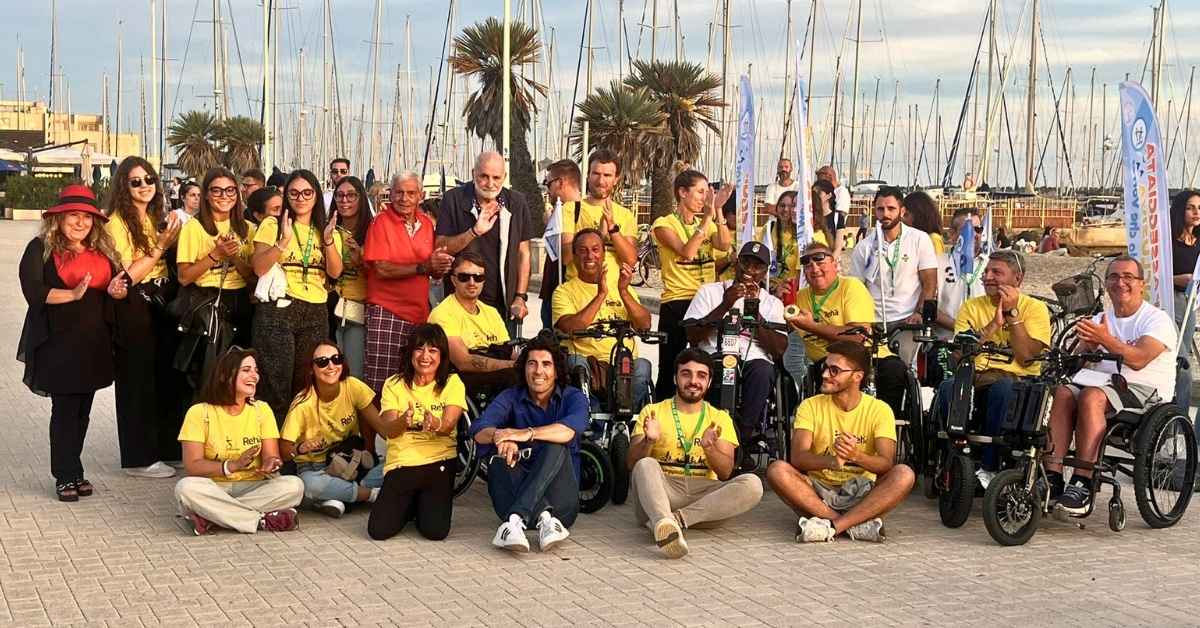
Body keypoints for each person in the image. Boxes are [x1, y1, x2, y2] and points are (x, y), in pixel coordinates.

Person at [19, 184, 130, 501]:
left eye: (87, 217)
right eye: (73, 215)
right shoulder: (39, 248)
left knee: (83, 412)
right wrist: (71, 294)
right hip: (59, 344)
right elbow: (34, 293)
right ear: (59, 218)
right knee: (65, 411)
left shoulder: (103, 253)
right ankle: (64, 476)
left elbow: (115, 289)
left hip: (94, 344)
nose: (80, 222)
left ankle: (75, 469)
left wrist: (117, 293)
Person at [1046, 256, 1178, 515]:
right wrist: (1087, 349)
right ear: (1106, 284)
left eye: (1128, 277)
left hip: (1143, 391)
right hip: (1102, 384)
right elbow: (1079, 364)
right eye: (1114, 277)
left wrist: (1105, 339)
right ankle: (1052, 475)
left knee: (1091, 397)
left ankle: (1083, 481)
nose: (1121, 283)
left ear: (1142, 284)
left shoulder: (1157, 320)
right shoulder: (1099, 318)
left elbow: (1139, 360)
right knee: (1061, 393)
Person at [766, 341, 914, 542]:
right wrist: (833, 461)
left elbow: (886, 463)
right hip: (817, 492)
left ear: (857, 376)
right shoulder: (810, 406)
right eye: (825, 368)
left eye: (834, 370)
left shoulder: (880, 410)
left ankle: (830, 526)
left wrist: (856, 456)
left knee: (904, 474)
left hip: (863, 492)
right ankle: (852, 525)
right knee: (777, 470)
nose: (825, 374)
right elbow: (798, 458)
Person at [627, 349, 763, 558]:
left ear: (709, 383)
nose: (693, 381)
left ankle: (672, 524)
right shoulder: (653, 411)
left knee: (753, 484)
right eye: (686, 374)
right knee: (645, 464)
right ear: (675, 378)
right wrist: (648, 441)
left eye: (701, 375)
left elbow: (725, 472)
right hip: (661, 494)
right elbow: (632, 465)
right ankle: (663, 519)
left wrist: (710, 448)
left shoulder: (720, 418)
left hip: (704, 501)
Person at [104, 156, 185, 479]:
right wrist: (160, 246)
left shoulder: (155, 217)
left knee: (166, 376)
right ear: (124, 185)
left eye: (149, 179)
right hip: (135, 301)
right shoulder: (116, 223)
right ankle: (138, 457)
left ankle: (166, 447)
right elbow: (127, 276)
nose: (144, 186)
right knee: (136, 378)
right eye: (136, 181)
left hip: (163, 300)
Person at [939, 251, 1051, 482]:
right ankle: (954, 461)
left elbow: (1026, 357)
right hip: (976, 374)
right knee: (949, 387)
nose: (988, 276)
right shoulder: (971, 307)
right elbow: (961, 354)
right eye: (987, 272)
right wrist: (992, 327)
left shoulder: (1035, 308)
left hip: (1017, 379)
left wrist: (1012, 315)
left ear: (1017, 279)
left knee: (1003, 388)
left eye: (996, 272)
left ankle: (989, 465)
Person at [469, 334, 587, 553]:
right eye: (532, 364)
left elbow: (568, 431)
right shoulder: (511, 396)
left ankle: (514, 521)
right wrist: (502, 437)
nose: (538, 371)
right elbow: (478, 429)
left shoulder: (574, 397)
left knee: (555, 444)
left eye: (546, 364)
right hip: (528, 506)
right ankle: (540, 519)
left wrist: (525, 434)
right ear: (524, 369)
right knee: (499, 455)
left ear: (557, 370)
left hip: (561, 507)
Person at [174, 348, 304, 534]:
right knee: (185, 488)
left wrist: (271, 463)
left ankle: (212, 517)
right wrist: (231, 466)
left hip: (255, 485)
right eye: (246, 370)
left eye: (256, 370)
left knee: (295, 486)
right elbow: (193, 466)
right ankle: (260, 520)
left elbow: (272, 455)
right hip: (215, 487)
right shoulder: (199, 413)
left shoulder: (262, 410)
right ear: (225, 376)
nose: (255, 376)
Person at [251, 169, 344, 419]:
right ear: (286, 196)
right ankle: (274, 446)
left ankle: (298, 443)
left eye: (307, 192)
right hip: (279, 309)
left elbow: (335, 272)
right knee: (275, 381)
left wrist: (328, 241)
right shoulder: (273, 223)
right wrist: (283, 241)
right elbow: (259, 267)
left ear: (315, 195)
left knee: (305, 381)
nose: (300, 198)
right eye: (294, 193)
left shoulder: (326, 229)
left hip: (315, 309)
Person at [784, 242, 911, 425]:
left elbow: (857, 337)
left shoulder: (851, 287)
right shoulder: (800, 296)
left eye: (820, 261)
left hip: (867, 355)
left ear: (835, 264)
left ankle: (886, 428)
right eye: (807, 263)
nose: (814, 268)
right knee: (824, 373)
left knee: (895, 370)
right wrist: (778, 296)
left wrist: (813, 326)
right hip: (826, 361)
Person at [363, 324, 466, 541]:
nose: (425, 356)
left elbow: (449, 424)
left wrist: (436, 424)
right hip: (403, 463)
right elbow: (389, 430)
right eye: (419, 349)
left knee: (435, 532)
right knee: (378, 531)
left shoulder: (452, 382)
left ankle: (418, 503)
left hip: (439, 461)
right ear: (410, 353)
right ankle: (411, 504)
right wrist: (403, 420)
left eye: (433, 350)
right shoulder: (394, 383)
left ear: (442, 355)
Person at [684, 242, 787, 441]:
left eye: (757, 266)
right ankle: (706, 430)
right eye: (746, 263)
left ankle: (742, 439)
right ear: (737, 263)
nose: (750, 270)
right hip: (713, 354)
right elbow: (692, 335)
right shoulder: (710, 291)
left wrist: (755, 313)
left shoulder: (772, 303)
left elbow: (778, 349)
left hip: (754, 360)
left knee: (763, 371)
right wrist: (726, 304)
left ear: (765, 271)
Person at [362, 171, 453, 393]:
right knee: (379, 385)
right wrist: (423, 267)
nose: (404, 198)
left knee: (413, 385)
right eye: (399, 193)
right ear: (390, 195)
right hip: (387, 312)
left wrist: (440, 267)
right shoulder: (380, 223)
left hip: (419, 315)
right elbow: (381, 268)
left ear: (420, 196)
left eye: (411, 193)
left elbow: (432, 270)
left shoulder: (426, 224)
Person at [652, 169, 733, 398]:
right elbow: (687, 252)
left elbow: (724, 244)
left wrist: (717, 210)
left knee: (707, 361)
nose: (704, 198)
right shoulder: (664, 223)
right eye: (700, 192)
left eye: (707, 193)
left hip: (706, 299)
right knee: (670, 365)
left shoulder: (707, 220)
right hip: (678, 300)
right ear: (682, 193)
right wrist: (706, 218)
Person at [436, 151, 533, 339]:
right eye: (484, 176)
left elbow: (524, 254)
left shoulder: (516, 203)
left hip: (504, 306)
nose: (490, 183)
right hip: (461, 305)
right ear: (473, 174)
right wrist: (474, 232)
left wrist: (520, 297)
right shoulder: (454, 199)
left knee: (503, 363)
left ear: (504, 177)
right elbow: (441, 246)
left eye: (496, 177)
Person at [553, 228, 653, 407]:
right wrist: (601, 294)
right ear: (574, 256)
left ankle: (625, 418)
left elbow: (644, 324)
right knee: (576, 364)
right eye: (583, 251)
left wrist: (623, 291)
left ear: (604, 254)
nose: (589, 256)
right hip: (587, 363)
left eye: (595, 249)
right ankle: (594, 424)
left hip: (621, 362)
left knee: (643, 366)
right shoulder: (564, 291)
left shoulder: (623, 287)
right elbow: (571, 328)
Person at [176, 167, 258, 386]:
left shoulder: (248, 229)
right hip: (208, 305)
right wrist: (216, 255)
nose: (224, 196)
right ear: (206, 194)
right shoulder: (193, 228)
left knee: (239, 375)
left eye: (230, 191)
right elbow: (184, 277)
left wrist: (233, 257)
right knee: (210, 376)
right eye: (217, 191)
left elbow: (252, 277)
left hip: (240, 302)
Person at [280, 341, 380, 518]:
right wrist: (300, 448)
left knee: (393, 467)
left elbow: (379, 424)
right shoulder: (302, 403)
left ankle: (337, 496)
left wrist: (371, 449)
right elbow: (284, 450)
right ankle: (371, 495)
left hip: (350, 460)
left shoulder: (352, 385)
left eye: (336, 359)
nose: (331, 366)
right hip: (315, 467)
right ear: (312, 369)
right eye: (322, 362)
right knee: (309, 484)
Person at [849, 186, 938, 365]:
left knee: (902, 368)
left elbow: (929, 282)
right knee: (869, 370)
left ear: (902, 211)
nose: (885, 214)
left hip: (906, 319)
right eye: (880, 209)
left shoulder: (919, 239)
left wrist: (919, 313)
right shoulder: (864, 247)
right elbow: (857, 288)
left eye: (891, 209)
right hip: (873, 321)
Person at [428, 251, 517, 396]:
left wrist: (530, 362)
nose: (472, 282)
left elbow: (509, 351)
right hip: (463, 377)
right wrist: (512, 366)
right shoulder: (443, 313)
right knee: (515, 377)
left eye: (478, 277)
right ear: (453, 280)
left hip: (497, 373)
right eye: (464, 277)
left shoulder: (491, 312)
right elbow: (463, 362)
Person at [329, 175, 374, 378]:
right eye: (339, 195)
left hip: (359, 308)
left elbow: (379, 271)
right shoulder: (327, 229)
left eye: (351, 195)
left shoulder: (372, 230)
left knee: (354, 372)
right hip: (330, 306)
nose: (344, 200)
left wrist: (361, 259)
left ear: (361, 198)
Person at [539, 159, 584, 329]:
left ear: (560, 182)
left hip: (561, 292)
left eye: (548, 183)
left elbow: (566, 256)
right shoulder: (570, 212)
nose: (548, 190)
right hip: (557, 289)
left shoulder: (570, 211)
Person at [934, 208, 986, 335]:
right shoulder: (937, 263)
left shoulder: (990, 265)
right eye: (967, 229)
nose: (974, 234)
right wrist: (961, 328)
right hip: (947, 340)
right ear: (952, 234)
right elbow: (927, 306)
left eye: (978, 229)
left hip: (983, 341)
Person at [1169, 190, 1200, 327]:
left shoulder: (1197, 241)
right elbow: (1149, 275)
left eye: (1199, 208)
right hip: (1169, 300)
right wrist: (1175, 279)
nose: (1196, 212)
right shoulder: (1168, 241)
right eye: (1190, 208)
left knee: (1185, 347)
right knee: (1175, 348)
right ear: (1180, 210)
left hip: (1191, 300)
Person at [902, 190, 945, 255]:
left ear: (919, 216)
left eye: (906, 215)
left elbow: (938, 264)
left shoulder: (933, 240)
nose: (902, 219)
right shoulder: (915, 238)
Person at [816, 165, 851, 232]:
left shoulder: (841, 192)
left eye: (820, 180)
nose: (818, 182)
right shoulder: (823, 192)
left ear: (829, 176)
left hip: (833, 231)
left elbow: (841, 215)